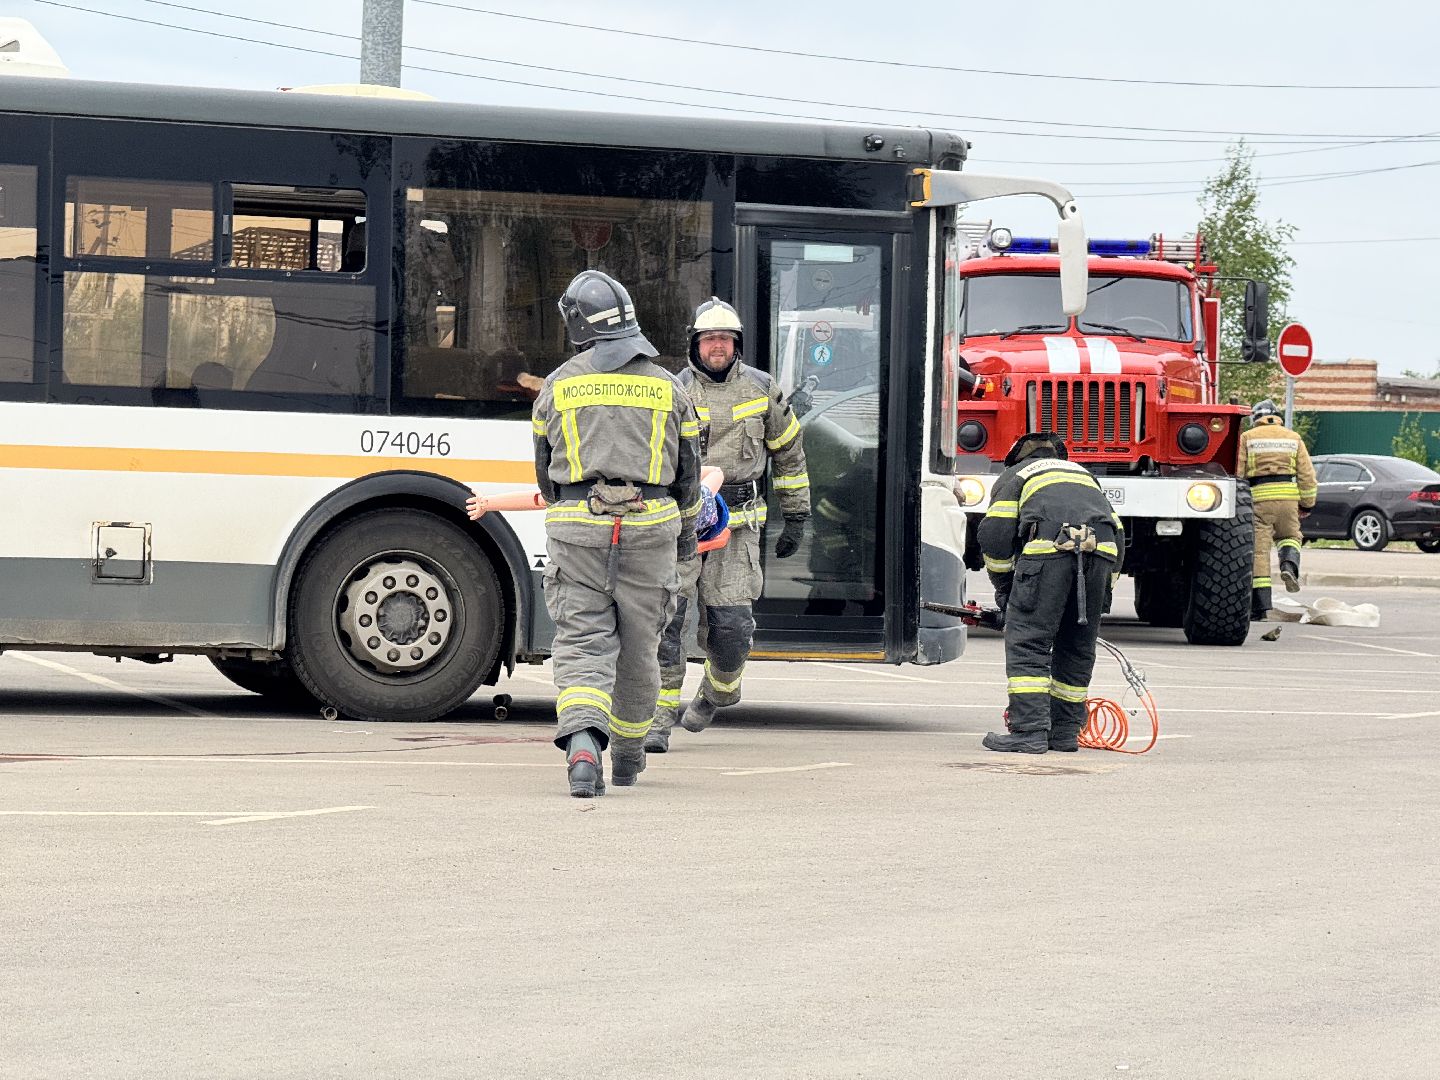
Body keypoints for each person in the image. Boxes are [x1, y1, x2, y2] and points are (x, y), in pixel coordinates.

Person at [523, 269, 702, 797]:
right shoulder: (671, 388)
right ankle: (626, 756)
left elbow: (544, 472)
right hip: (650, 530)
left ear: (578, 325)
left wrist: (578, 512)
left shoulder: (557, 386)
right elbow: (689, 475)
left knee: (582, 641)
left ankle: (582, 747)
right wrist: (685, 535)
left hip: (577, 531)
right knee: (641, 648)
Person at [644, 297, 810, 751]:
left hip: (736, 530)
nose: (717, 347)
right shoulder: (671, 390)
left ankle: (718, 691)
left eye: (725, 339)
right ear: (695, 344)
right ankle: (657, 717)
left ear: (736, 345)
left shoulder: (762, 389)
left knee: (732, 628)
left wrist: (795, 513)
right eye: (709, 339)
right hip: (679, 528)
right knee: (667, 623)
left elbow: (789, 454)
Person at [977, 432, 1125, 754]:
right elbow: (1119, 533)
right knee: (1076, 645)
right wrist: (1104, 594)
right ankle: (1064, 733)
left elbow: (995, 535)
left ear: (1017, 456)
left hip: (1049, 553)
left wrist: (1005, 591)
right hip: (1101, 556)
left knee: (1029, 641)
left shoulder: (1015, 476)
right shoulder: (1083, 475)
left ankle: (1028, 732)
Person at [1237, 399, 1317, 621]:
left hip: (1260, 499)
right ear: (1277, 416)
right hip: (1288, 497)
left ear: (1256, 418)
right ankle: (1289, 565)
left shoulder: (1247, 438)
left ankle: (1260, 607)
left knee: (1260, 551)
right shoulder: (1293, 438)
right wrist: (1307, 503)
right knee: (1291, 536)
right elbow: (1307, 475)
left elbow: (1239, 471)